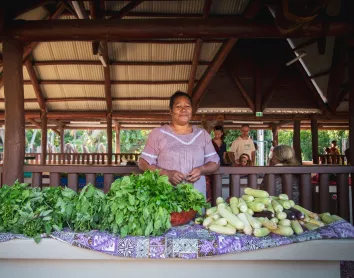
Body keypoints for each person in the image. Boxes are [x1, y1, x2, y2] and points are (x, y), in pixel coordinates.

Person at [138, 91, 220, 198]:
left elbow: (215, 163)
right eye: (178, 106)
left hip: (196, 198)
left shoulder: (202, 134)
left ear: (192, 110)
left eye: (187, 106)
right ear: (171, 111)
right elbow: (143, 163)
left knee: (196, 215)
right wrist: (166, 173)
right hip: (166, 198)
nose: (183, 110)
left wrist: (201, 170)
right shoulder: (158, 133)